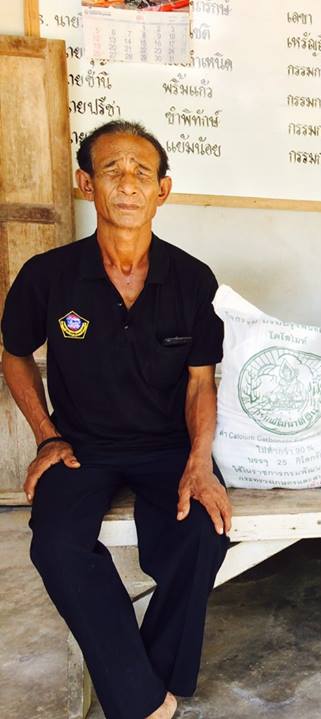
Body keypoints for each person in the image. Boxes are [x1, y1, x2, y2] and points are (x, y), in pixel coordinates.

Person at [1, 120, 230, 719]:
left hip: (168, 445)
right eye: (111, 170)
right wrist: (46, 435)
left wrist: (199, 463)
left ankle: (142, 685)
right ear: (86, 184)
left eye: (141, 173)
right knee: (57, 544)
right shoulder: (48, 276)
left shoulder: (192, 278)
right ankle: (145, 700)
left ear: (162, 190)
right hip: (81, 445)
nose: (127, 184)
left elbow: (200, 381)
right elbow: (14, 353)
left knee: (201, 534)